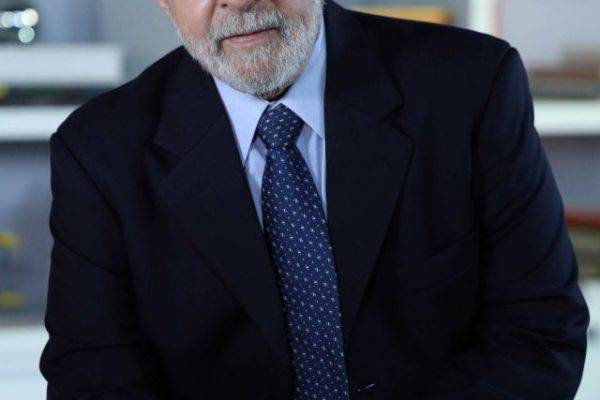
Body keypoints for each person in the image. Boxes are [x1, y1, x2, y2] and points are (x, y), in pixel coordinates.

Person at [39, 0, 590, 399]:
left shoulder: (471, 86)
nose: (240, 0)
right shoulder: (99, 152)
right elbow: (93, 379)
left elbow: (538, 331)